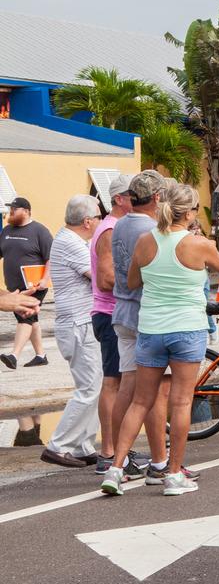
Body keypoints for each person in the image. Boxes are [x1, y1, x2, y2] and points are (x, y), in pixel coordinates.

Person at [101, 184, 219, 496]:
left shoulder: (145, 241)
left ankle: (115, 468)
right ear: (190, 212)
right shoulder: (198, 244)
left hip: (150, 327)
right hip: (186, 329)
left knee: (140, 400)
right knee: (180, 402)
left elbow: (134, 281)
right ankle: (173, 474)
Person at [110, 170, 171, 482]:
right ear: (157, 197)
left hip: (122, 309)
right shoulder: (152, 229)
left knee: (128, 388)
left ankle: (116, 455)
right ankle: (160, 461)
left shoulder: (119, 224)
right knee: (154, 392)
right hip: (146, 312)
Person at [42, 196, 103, 468]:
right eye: (99, 217)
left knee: (96, 386)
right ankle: (59, 445)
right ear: (87, 221)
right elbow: (100, 277)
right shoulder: (71, 243)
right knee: (89, 388)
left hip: (79, 322)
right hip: (79, 324)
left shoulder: (72, 240)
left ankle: (82, 445)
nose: (102, 222)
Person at [88, 174, 131, 473]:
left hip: (114, 313)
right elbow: (105, 280)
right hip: (110, 313)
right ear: (118, 198)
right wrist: (139, 281)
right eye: (132, 195)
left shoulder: (117, 227)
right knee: (113, 382)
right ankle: (109, 451)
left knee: (121, 381)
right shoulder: (110, 230)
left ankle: (118, 450)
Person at [0, 197, 54, 369]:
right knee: (32, 319)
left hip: (34, 285)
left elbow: (51, 258)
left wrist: (45, 280)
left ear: (26, 211)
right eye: (10, 209)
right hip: (13, 288)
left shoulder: (39, 231)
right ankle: (41, 355)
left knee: (26, 316)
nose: (11, 212)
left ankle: (14, 355)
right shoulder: (7, 231)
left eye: (14, 209)